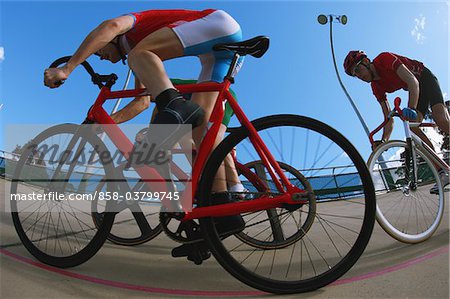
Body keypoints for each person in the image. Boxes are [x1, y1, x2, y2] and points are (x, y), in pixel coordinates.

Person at [43, 8, 245, 263]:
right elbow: (142, 100)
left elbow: (112, 24)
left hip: (218, 24)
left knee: (142, 57)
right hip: (218, 53)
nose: (101, 57)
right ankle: (221, 212)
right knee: (200, 135)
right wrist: (108, 122)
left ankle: (177, 106)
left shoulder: (133, 31)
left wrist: (67, 68)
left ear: (112, 41)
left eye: (99, 51)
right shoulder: (140, 59)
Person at [343, 50, 449, 192]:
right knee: (413, 127)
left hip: (424, 78)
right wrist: (383, 141)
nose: (358, 75)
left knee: (440, 119)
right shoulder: (375, 87)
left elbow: (413, 81)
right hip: (416, 88)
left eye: (357, 69)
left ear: (366, 62)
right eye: (354, 75)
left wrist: (411, 107)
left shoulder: (384, 59)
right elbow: (388, 118)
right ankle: (443, 170)